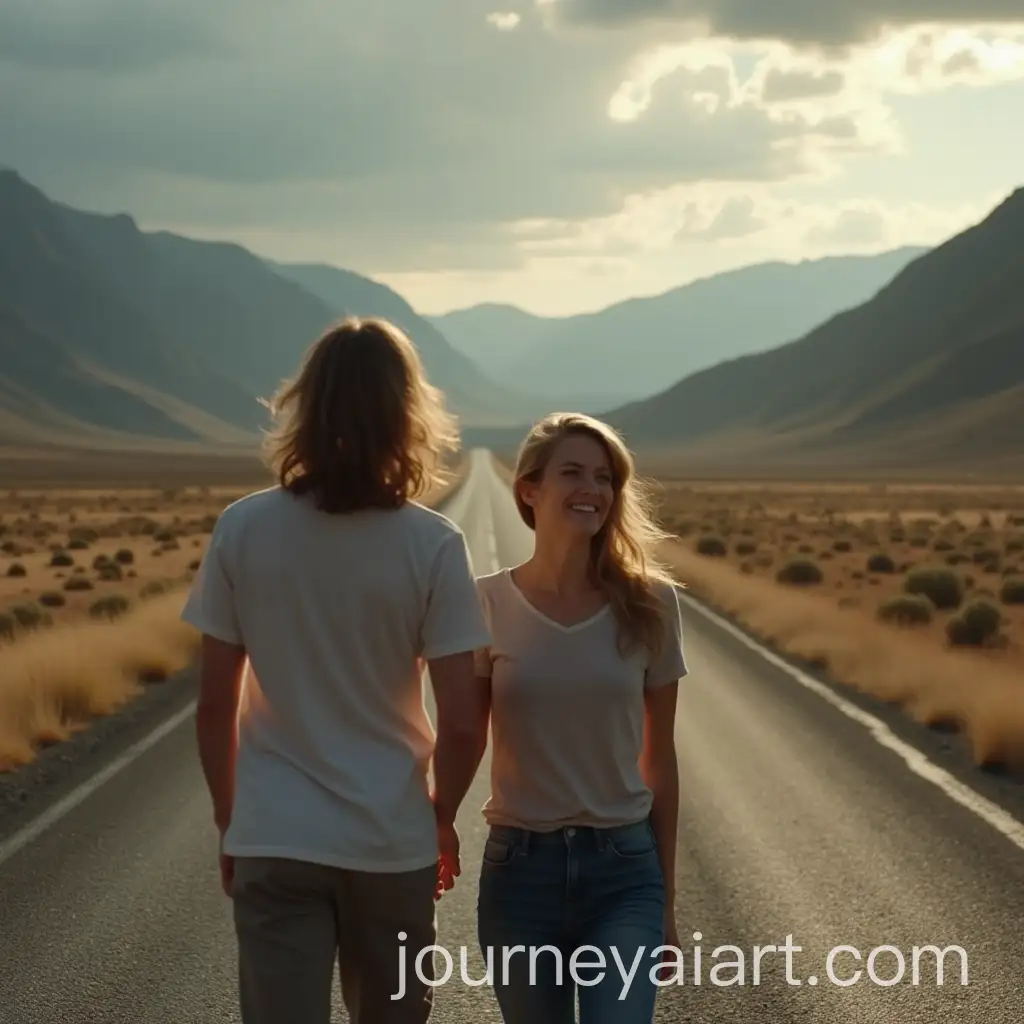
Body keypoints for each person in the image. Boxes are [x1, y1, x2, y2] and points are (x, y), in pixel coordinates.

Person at [180, 316, 491, 1024]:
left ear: (305, 406)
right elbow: (463, 724)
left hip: (276, 837)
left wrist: (232, 819)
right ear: (407, 415)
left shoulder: (242, 528)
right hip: (391, 842)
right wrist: (440, 818)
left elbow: (214, 705)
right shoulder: (434, 545)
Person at [469, 412, 685, 1023]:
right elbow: (461, 736)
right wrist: (432, 824)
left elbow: (660, 759)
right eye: (572, 472)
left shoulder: (651, 604)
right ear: (529, 490)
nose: (592, 488)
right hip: (520, 875)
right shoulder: (485, 602)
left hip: (624, 874)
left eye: (604, 477)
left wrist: (666, 900)